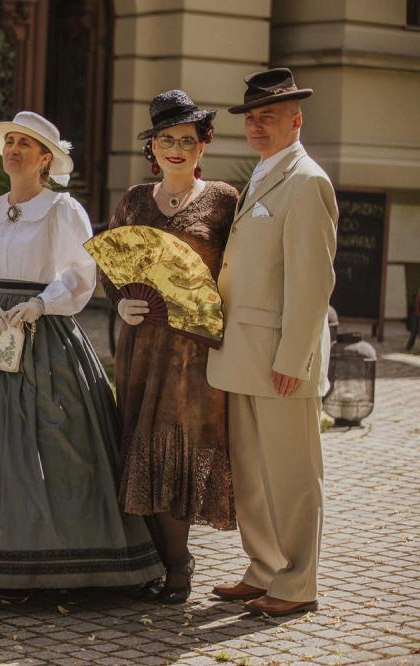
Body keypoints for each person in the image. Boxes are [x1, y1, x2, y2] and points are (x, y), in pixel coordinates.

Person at [0, 111, 164, 595]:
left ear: (46, 158)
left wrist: (41, 304)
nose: (13, 150)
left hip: (45, 331)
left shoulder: (62, 209)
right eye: (10, 141)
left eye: (24, 144)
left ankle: (62, 563)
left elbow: (80, 273)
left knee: (57, 437)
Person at [206, 68, 337, 617]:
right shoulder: (263, 174)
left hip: (282, 358)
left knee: (292, 475)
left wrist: (293, 357)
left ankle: (298, 581)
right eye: (252, 117)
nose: (257, 126)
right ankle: (263, 568)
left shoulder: (307, 182)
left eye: (269, 117)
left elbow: (313, 281)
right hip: (241, 353)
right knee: (253, 474)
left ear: (296, 121)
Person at [100, 90, 238, 604]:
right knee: (142, 444)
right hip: (141, 343)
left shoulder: (223, 200)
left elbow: (240, 272)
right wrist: (120, 302)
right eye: (166, 140)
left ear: (203, 145)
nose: (175, 149)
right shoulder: (136, 200)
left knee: (177, 447)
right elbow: (111, 265)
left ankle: (179, 563)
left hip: (194, 349)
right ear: (152, 148)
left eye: (186, 140)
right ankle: (152, 561)